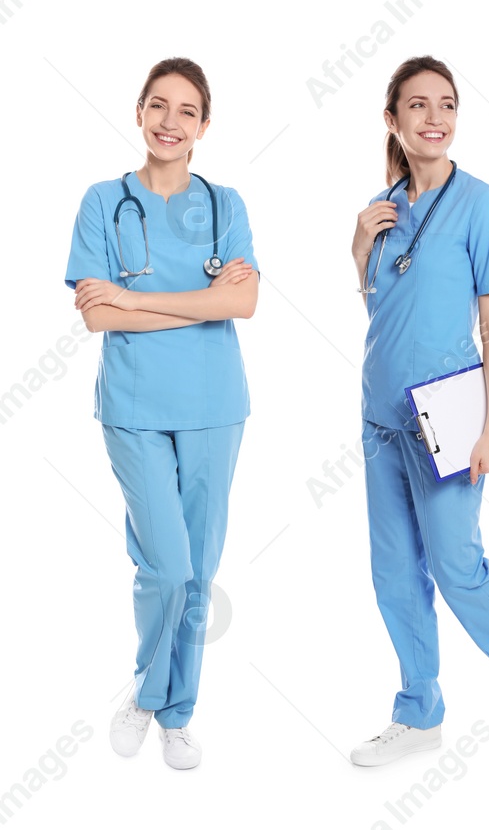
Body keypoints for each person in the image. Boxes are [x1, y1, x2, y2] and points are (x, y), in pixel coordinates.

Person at [347, 55, 489, 767]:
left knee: (457, 566)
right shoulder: (383, 207)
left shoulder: (482, 203)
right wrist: (359, 242)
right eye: (417, 106)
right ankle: (419, 713)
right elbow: (382, 305)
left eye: (445, 104)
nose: (434, 118)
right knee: (394, 573)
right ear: (393, 120)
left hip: (447, 420)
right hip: (381, 414)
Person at [68, 57, 260, 770]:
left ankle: (178, 713)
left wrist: (135, 301)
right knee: (165, 566)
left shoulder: (225, 205)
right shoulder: (102, 201)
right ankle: (147, 697)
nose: (170, 121)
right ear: (140, 113)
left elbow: (243, 302)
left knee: (199, 571)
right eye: (158, 105)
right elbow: (93, 317)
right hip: (135, 405)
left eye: (186, 111)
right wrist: (192, 303)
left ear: (204, 126)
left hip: (216, 405)